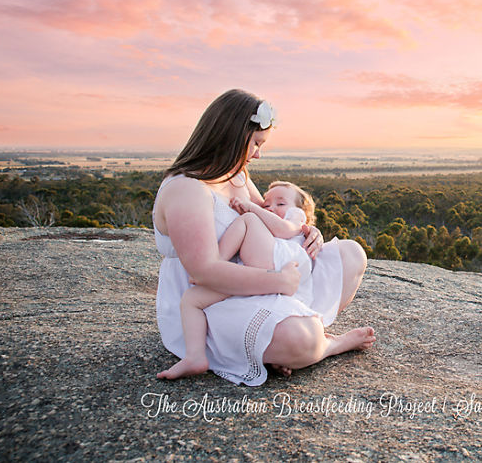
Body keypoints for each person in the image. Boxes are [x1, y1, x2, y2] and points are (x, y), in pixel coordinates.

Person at [152, 89, 375, 385]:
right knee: (301, 340)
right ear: (232, 135)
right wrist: (279, 281)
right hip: (213, 299)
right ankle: (327, 344)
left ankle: (284, 341)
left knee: (351, 255)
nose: (257, 154)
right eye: (256, 143)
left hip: (260, 274)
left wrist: (308, 230)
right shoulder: (186, 190)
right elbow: (203, 271)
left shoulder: (237, 175)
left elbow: (271, 219)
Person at [157, 180, 319, 380]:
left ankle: (217, 262)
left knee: (248, 219)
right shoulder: (185, 186)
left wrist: (252, 208)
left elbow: (285, 229)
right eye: (267, 204)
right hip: (253, 271)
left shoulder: (295, 216)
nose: (271, 208)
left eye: (281, 203)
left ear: (301, 210)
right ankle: (195, 356)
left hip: (277, 263)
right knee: (192, 299)